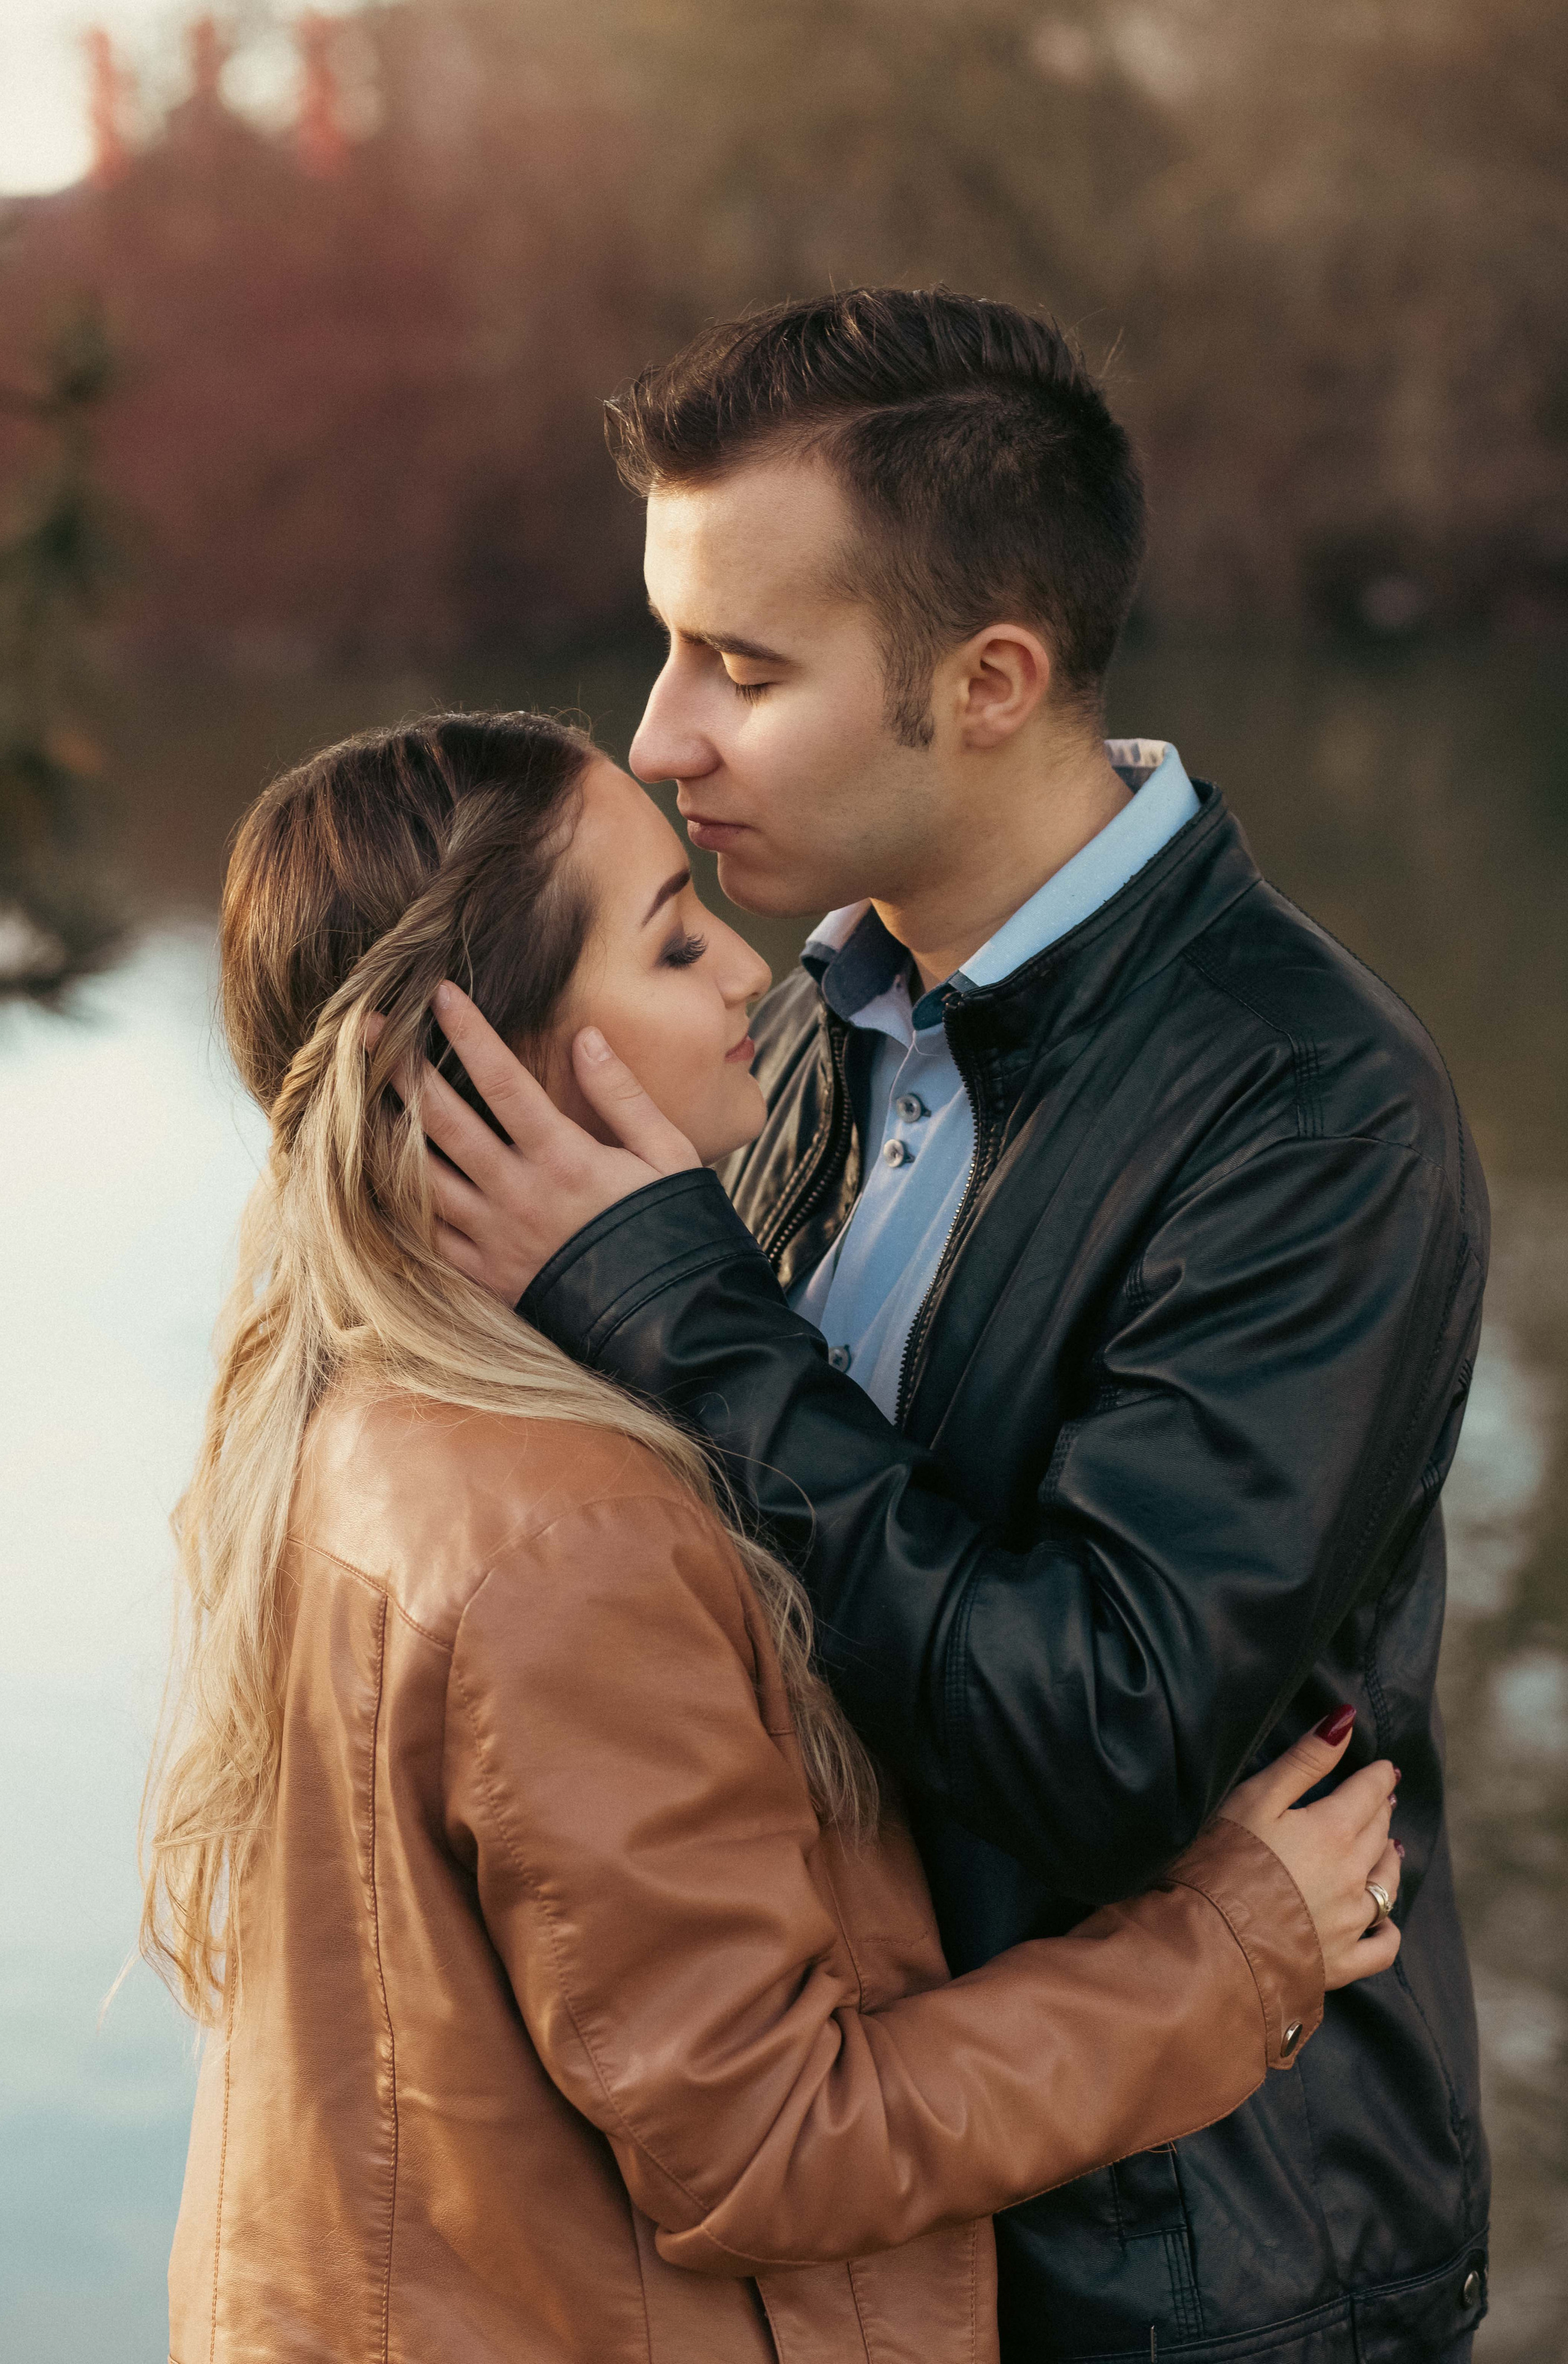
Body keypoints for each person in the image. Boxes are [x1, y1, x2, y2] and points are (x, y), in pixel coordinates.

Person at [409, 291, 1491, 2363]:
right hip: (872, 2226)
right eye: (666, 645)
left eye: (742, 664)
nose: (659, 736)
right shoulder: (803, 1019)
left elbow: (1096, 1738)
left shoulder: (1309, 1107)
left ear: (990, 681)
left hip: (1195, 2280)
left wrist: (667, 1300)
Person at [145, 711, 1400, 2364]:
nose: (751, 977)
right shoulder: (564, 1533)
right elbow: (765, 2145)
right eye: (671, 942)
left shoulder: (349, 1409)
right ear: (465, 1071)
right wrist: (1233, 1950)